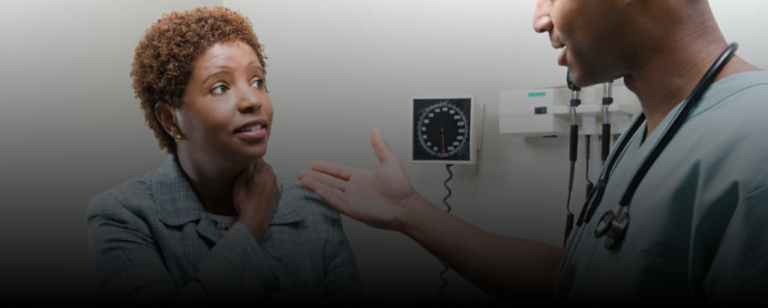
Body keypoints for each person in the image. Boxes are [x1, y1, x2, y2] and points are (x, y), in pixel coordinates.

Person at [298, 0, 768, 305]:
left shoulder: (755, 148)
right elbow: (572, 280)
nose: (539, 19)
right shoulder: (650, 133)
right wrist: (409, 212)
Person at [86, 7, 362, 305]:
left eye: (257, 82)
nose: (252, 100)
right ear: (170, 119)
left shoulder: (315, 214)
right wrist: (250, 227)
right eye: (220, 87)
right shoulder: (124, 215)